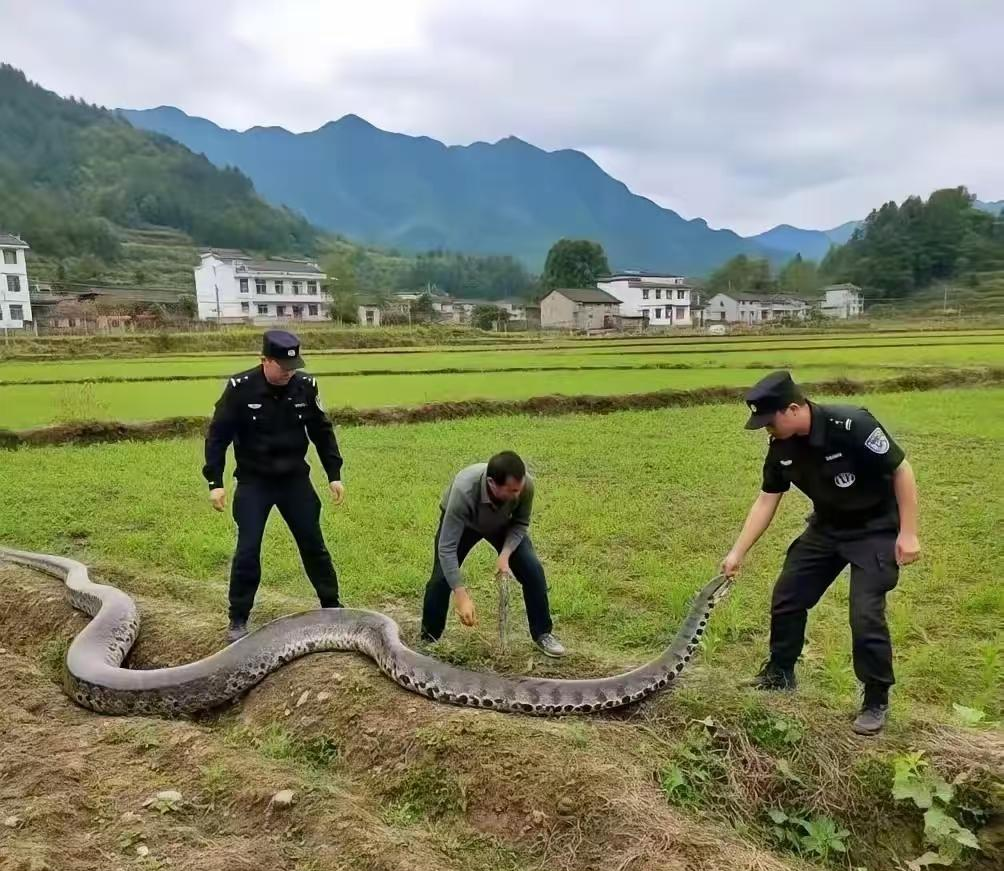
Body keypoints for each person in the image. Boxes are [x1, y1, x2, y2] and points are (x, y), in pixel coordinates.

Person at [721, 371, 920, 735]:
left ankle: (876, 699)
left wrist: (908, 533)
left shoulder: (852, 424)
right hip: (827, 529)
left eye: (770, 421)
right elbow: (767, 499)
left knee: (865, 615)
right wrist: (737, 551)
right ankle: (780, 673)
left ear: (794, 408)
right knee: (788, 597)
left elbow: (901, 470)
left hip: (874, 531)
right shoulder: (781, 447)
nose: (767, 429)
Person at [203, 329, 346, 642]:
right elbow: (217, 436)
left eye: (292, 366)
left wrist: (334, 473)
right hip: (255, 482)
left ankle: (332, 606)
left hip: (295, 480)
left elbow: (322, 431)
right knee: (248, 550)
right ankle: (238, 619)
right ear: (264, 360)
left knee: (314, 545)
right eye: (282, 366)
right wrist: (215, 481)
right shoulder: (240, 388)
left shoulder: (305, 386)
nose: (288, 372)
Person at [420, 451, 567, 657]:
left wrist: (505, 555)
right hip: (466, 524)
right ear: (491, 483)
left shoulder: (525, 486)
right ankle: (429, 639)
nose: (518, 494)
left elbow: (521, 524)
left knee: (533, 571)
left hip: (503, 524)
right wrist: (461, 595)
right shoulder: (464, 491)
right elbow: (447, 548)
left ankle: (543, 634)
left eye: (520, 488)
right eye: (512, 490)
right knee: (441, 579)